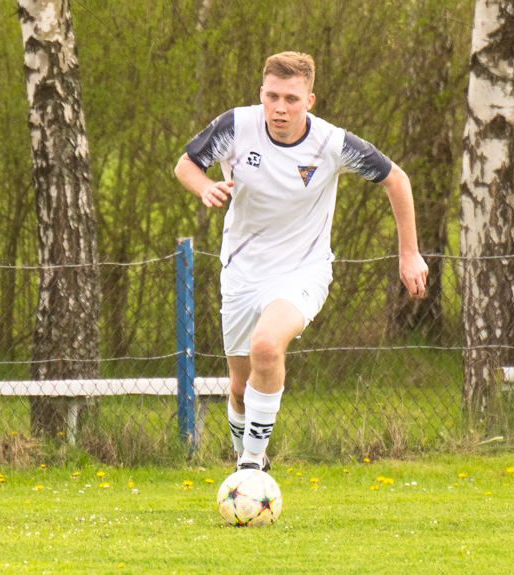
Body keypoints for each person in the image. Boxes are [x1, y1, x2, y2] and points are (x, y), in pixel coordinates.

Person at [174, 51, 428, 472]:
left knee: (267, 348)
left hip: (302, 271)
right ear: (261, 94)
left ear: (310, 101)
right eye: (272, 96)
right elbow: (185, 165)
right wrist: (204, 187)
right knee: (238, 389)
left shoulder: (331, 143)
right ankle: (246, 455)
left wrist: (409, 253)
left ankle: (251, 468)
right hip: (241, 271)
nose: (279, 107)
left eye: (291, 98)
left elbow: (395, 179)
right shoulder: (236, 125)